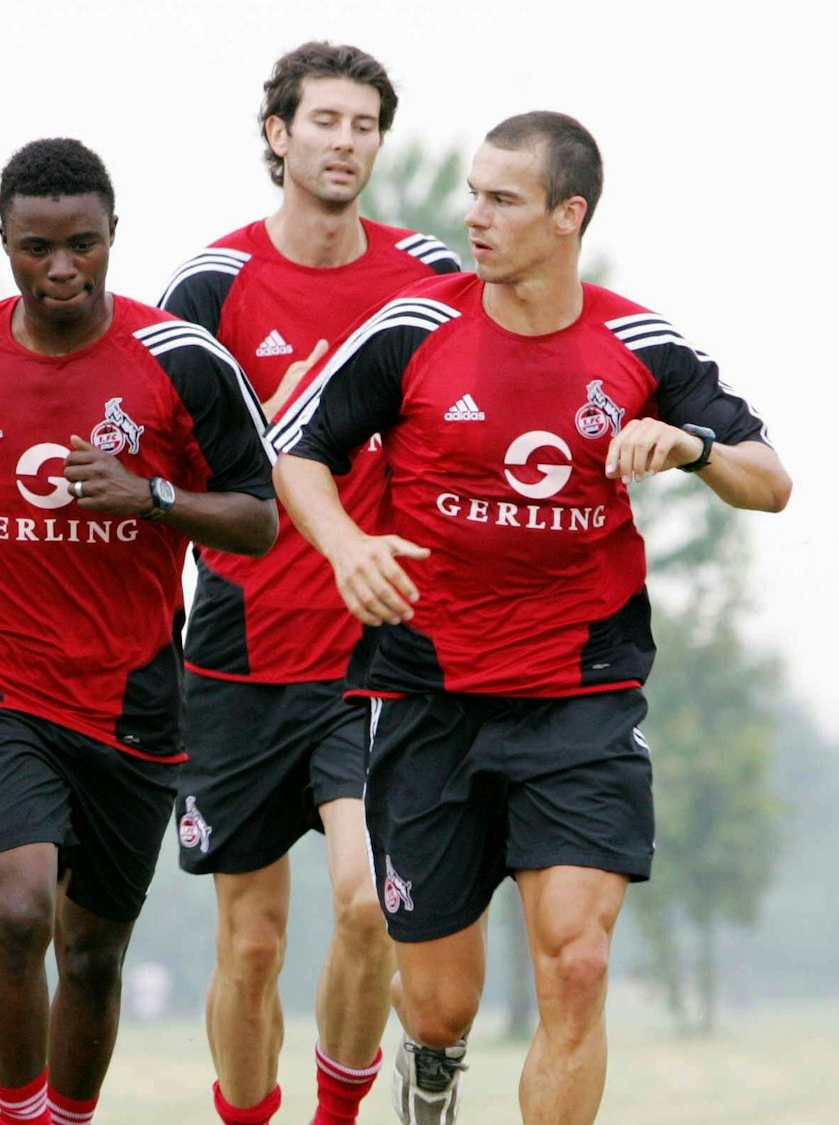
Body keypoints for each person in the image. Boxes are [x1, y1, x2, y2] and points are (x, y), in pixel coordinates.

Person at [273, 111, 789, 1125]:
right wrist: (346, 547)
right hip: (425, 694)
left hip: (579, 699)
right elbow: (299, 454)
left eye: (499, 200)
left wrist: (687, 447)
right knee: (436, 1005)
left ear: (567, 216)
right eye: (470, 192)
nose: (471, 217)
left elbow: (768, 481)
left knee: (579, 961)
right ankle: (427, 1073)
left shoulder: (638, 344)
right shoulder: (412, 329)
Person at [0, 137, 278, 1125]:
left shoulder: (180, 362)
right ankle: (17, 1113)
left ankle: (67, 1114)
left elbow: (259, 517)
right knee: (17, 911)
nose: (60, 269)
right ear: (4, 242)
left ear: (111, 238)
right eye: (36, 248)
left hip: (131, 694)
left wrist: (150, 495)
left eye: (82, 246)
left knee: (91, 954)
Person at [155, 41, 460, 1125]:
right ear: (277, 135)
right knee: (249, 945)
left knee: (367, 903)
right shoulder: (208, 285)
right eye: (323, 121)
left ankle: (338, 1115)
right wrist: (249, 424)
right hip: (235, 654)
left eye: (363, 124)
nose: (344, 141)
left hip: (371, 656)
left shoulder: (430, 282)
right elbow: (154, 467)